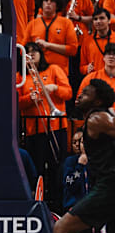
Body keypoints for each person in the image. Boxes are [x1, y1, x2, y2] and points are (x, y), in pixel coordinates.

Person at [52, 78, 115, 233]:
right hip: (107, 184)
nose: (79, 95)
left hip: (109, 186)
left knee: (62, 228)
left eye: (86, 93)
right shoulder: (97, 119)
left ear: (97, 101)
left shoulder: (98, 118)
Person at [18, 42, 71, 206]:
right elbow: (17, 103)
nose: (32, 55)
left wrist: (55, 88)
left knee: (58, 166)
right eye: (28, 52)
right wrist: (29, 99)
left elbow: (68, 93)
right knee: (38, 167)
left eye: (35, 51)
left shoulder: (54, 69)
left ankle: (59, 202)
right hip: (34, 129)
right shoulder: (21, 77)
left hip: (56, 126)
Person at [21, 0, 78, 73]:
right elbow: (22, 50)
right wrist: (34, 48)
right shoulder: (32, 24)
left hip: (60, 72)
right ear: (41, 4)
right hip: (37, 72)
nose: (48, 3)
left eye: (52, 1)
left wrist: (47, 45)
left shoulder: (66, 23)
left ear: (57, 5)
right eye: (46, 0)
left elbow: (73, 50)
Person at [81, 8, 115, 76]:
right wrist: (86, 68)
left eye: (102, 18)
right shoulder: (87, 41)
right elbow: (82, 67)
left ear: (109, 21)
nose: (98, 21)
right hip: (95, 80)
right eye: (95, 19)